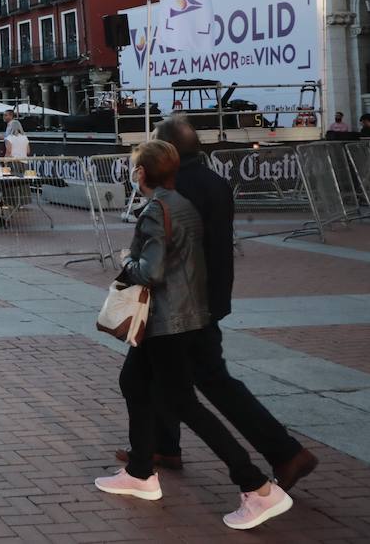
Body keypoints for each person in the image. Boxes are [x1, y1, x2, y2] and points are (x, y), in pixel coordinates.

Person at [95, 140, 293, 531]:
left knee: (183, 403)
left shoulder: (156, 211)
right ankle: (139, 472)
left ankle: (256, 486)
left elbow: (150, 272)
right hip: (182, 318)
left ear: (141, 173)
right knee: (133, 381)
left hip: (167, 322)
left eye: (135, 168)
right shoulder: (182, 204)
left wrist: (126, 261)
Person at [130, 118, 318, 489]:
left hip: (183, 306)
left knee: (205, 383)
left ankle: (279, 455)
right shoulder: (214, 181)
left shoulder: (175, 189)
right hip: (208, 297)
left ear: (167, 151)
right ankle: (161, 447)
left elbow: (170, 253)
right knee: (154, 376)